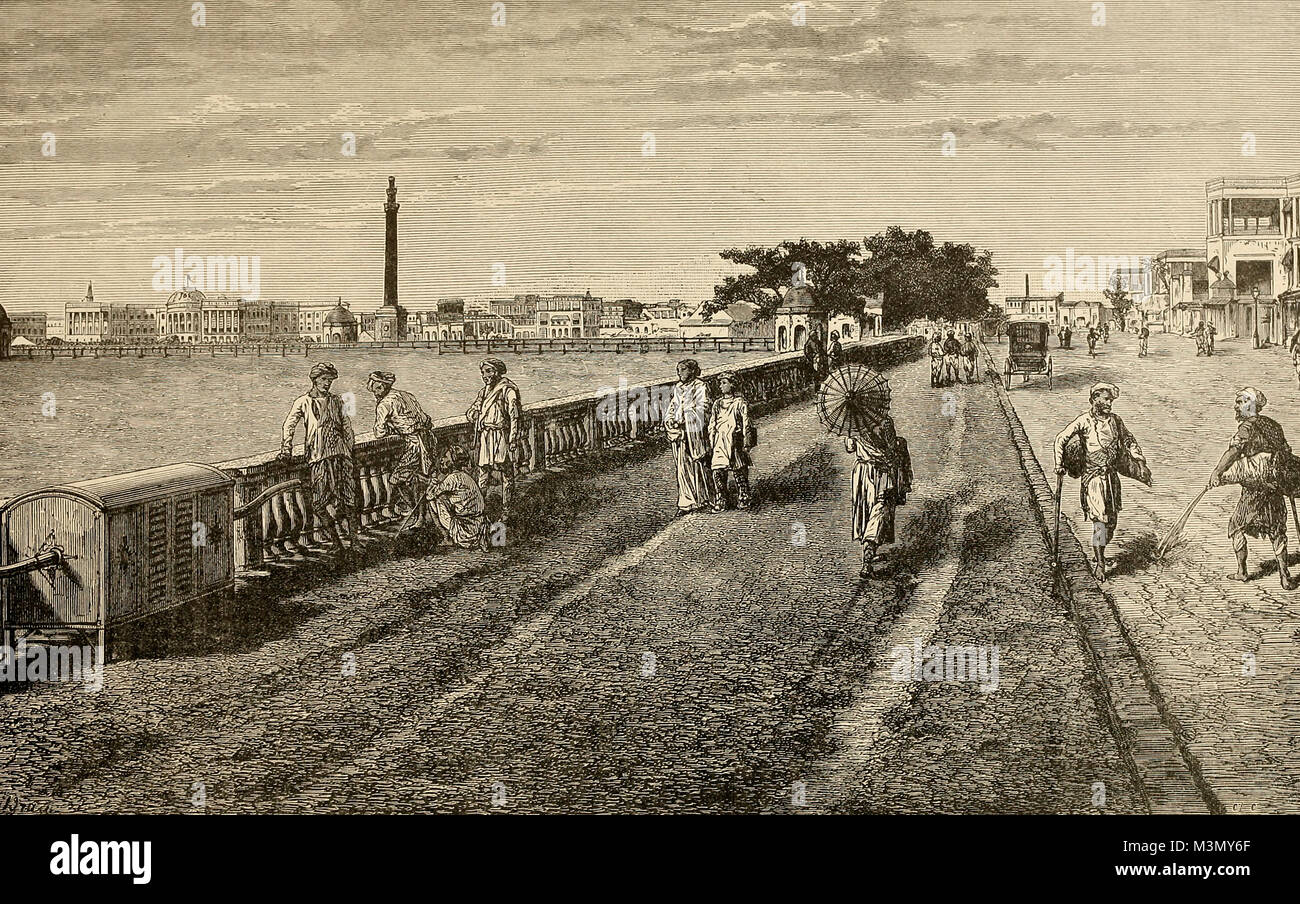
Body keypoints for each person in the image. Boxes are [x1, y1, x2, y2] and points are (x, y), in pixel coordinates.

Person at [1053, 383, 1147, 581]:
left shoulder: (1116, 421)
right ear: (1094, 399)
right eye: (1104, 399)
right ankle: (1100, 563)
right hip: (1094, 479)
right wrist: (1059, 464)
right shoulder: (1084, 421)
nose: (1108, 404)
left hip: (1111, 478)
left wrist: (1138, 459)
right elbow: (1061, 439)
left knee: (1111, 523)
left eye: (1110, 400)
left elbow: (1129, 440)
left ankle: (1101, 551)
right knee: (1100, 522)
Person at [1208, 387, 1299, 590]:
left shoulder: (1246, 428)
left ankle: (1242, 572)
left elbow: (1233, 452)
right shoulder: (1273, 426)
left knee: (1236, 526)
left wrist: (1217, 471)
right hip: (1274, 488)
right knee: (1277, 531)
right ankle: (1285, 576)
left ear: (1250, 404)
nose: (1236, 406)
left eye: (1239, 402)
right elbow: (1286, 451)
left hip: (1254, 491)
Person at [279, 362, 357, 553]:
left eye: (330, 380)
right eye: (324, 380)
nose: (327, 383)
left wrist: (348, 450)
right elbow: (289, 425)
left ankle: (355, 541)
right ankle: (337, 542)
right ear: (314, 380)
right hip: (318, 458)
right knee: (319, 504)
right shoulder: (303, 402)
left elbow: (346, 427)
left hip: (340, 456)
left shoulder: (338, 401)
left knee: (348, 501)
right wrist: (286, 449)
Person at [368, 370, 438, 536]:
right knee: (421, 479)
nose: (375, 393)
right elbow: (425, 418)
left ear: (383, 387)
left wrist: (393, 427)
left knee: (397, 479)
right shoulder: (406, 395)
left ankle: (417, 513)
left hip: (415, 443)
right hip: (428, 439)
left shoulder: (384, 404)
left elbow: (379, 432)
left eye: (377, 389)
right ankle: (421, 516)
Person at [847, 413, 910, 578]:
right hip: (880, 471)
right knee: (880, 510)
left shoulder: (853, 422)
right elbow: (891, 448)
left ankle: (870, 549)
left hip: (861, 472)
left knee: (866, 509)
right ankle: (867, 558)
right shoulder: (884, 421)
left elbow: (849, 447)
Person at [465, 358, 523, 521]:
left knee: (506, 473)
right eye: (483, 372)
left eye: (488, 371)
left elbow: (514, 416)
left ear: (497, 372)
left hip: (501, 436)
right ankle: (480, 508)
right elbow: (474, 409)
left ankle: (506, 509)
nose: (485, 376)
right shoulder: (484, 391)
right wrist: (473, 413)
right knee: (483, 473)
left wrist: (513, 438)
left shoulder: (508, 389)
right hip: (486, 436)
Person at [664, 359, 715, 514]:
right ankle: (687, 502)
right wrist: (670, 419)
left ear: (692, 371)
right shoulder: (678, 388)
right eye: (678, 370)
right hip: (681, 434)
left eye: (683, 369)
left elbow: (704, 408)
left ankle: (706, 498)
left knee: (700, 465)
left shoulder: (701, 386)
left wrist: (685, 418)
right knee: (683, 467)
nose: (679, 373)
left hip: (695, 433)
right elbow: (672, 407)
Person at [708, 371, 752, 512]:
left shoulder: (740, 403)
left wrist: (747, 442)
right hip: (720, 441)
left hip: (734, 441)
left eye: (724, 383)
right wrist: (712, 440)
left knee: (738, 470)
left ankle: (743, 496)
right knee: (718, 472)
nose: (720, 386)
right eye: (720, 383)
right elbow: (712, 423)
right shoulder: (717, 404)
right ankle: (721, 499)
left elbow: (746, 423)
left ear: (732, 384)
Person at [431, 446, 490, 552]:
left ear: (453, 460)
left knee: (436, 500)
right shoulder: (465, 477)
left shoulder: (453, 478)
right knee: (447, 498)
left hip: (466, 529)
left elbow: (431, 494)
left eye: (445, 457)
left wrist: (431, 484)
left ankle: (446, 536)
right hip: (479, 524)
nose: (442, 460)